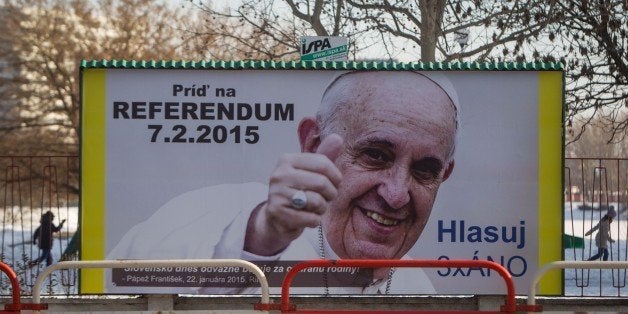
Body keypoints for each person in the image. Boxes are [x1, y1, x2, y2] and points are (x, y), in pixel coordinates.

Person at [108, 71, 458, 294]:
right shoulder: (215, 212)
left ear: (443, 176)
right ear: (313, 144)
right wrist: (261, 238)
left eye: (424, 169)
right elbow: (123, 285)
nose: (397, 195)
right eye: (376, 155)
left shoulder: (418, 287)